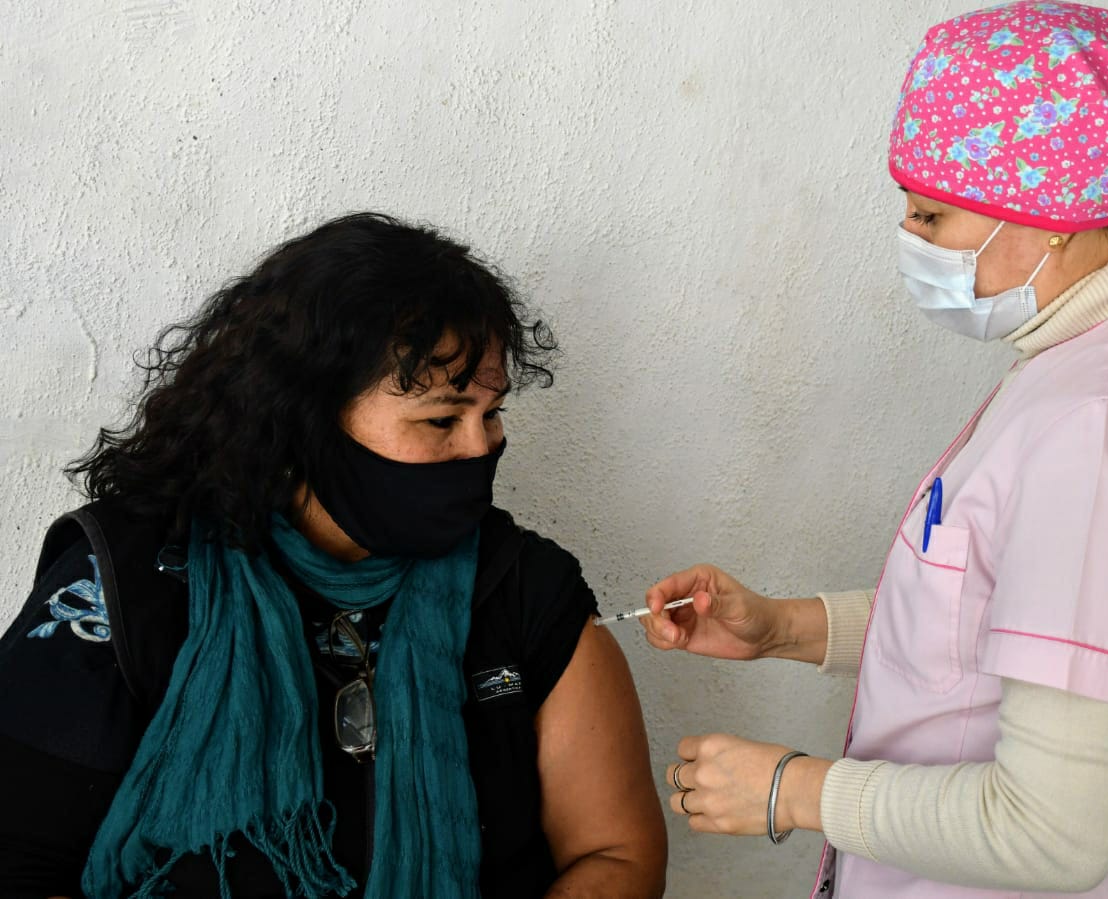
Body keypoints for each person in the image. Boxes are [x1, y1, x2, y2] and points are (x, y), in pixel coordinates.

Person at [643, 4, 1108, 896]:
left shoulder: (1102, 434)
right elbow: (983, 614)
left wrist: (790, 788)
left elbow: (1053, 834)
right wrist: (782, 627)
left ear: (1052, 215)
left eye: (930, 213)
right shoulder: (1098, 352)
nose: (910, 239)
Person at [0, 213, 667, 898]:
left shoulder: (524, 588)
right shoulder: (129, 580)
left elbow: (616, 855)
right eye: (442, 418)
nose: (481, 447)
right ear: (309, 421)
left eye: (491, 413)